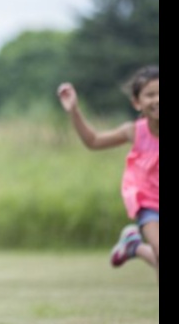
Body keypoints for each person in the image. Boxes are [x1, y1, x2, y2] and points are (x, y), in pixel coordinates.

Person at [57, 65, 159, 284]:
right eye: (150, 94)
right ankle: (136, 247)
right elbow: (93, 141)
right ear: (137, 102)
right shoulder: (135, 131)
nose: (157, 99)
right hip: (148, 201)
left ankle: (134, 248)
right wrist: (74, 110)